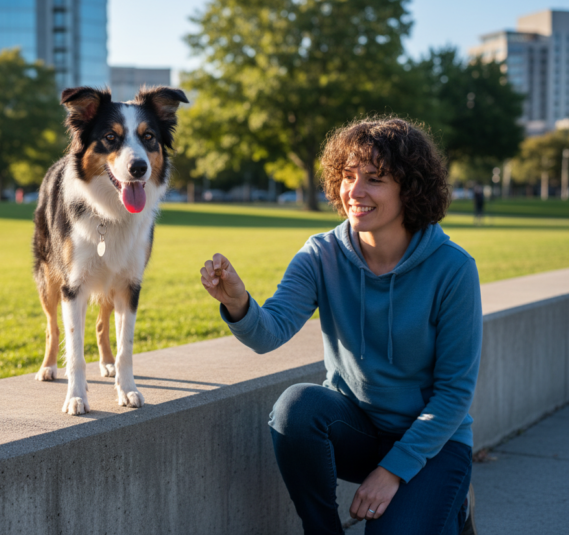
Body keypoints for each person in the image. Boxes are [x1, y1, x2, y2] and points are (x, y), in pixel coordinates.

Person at [200, 118, 482, 535]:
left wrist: (392, 471)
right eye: (348, 176)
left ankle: (453, 503)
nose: (355, 191)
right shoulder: (321, 254)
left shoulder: (453, 269)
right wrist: (238, 303)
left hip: (433, 442)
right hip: (359, 429)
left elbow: (455, 392)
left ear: (410, 187)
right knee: (296, 408)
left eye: (375, 179)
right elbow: (269, 332)